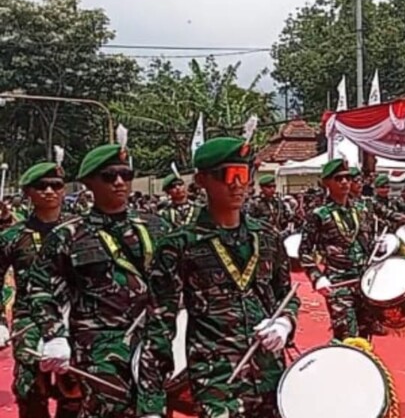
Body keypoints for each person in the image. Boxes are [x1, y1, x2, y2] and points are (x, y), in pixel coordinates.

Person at [136, 127, 299, 418]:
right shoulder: (180, 246)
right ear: (201, 181)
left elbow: (286, 294)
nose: (238, 184)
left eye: (244, 174)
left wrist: (285, 323)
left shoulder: (267, 237)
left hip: (270, 376)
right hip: (216, 381)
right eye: (227, 175)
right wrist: (151, 404)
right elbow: (160, 325)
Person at [26, 131, 168, 418]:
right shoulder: (68, 235)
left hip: (154, 343)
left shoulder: (158, 227)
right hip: (99, 349)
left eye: (125, 175)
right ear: (88, 182)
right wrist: (54, 335)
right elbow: (41, 289)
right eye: (109, 176)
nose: (119, 182)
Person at [0, 152, 78, 418]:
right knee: (30, 389)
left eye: (56, 185)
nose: (49, 191)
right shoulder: (13, 236)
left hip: (74, 318)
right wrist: (0, 320)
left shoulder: (81, 230)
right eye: (41, 186)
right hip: (29, 320)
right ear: (27, 193)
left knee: (75, 391)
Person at [297, 157, 376, 340]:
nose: (344, 182)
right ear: (326, 183)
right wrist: (317, 278)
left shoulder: (361, 209)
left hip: (363, 281)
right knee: (347, 336)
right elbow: (304, 252)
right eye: (338, 179)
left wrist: (379, 248)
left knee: (365, 336)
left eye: (347, 178)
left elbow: (367, 241)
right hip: (338, 283)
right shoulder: (319, 215)